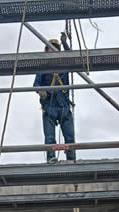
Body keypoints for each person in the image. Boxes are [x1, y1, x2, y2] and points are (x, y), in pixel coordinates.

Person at [34, 34, 76, 164]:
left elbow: (73, 57)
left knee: (69, 135)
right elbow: (36, 84)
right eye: (50, 48)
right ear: (46, 51)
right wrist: (41, 91)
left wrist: (65, 43)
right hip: (49, 105)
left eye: (55, 48)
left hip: (64, 106)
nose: (52, 50)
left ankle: (71, 158)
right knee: (50, 137)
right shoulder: (43, 68)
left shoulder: (64, 65)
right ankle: (51, 157)